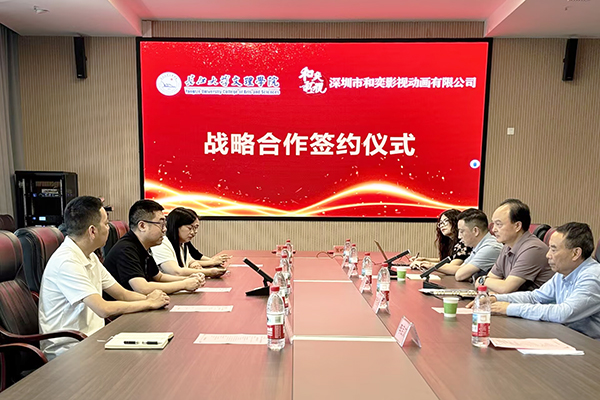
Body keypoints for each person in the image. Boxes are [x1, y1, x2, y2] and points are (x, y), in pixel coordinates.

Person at [39, 196, 170, 359]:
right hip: (69, 351)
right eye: (106, 224)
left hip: (94, 340)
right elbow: (103, 308)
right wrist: (148, 303)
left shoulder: (89, 256)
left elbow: (122, 294)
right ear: (92, 231)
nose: (109, 228)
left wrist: (152, 299)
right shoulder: (66, 262)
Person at [469, 222, 600, 340]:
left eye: (554, 249)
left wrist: (509, 308)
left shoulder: (593, 276)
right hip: (567, 336)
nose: (548, 255)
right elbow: (535, 297)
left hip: (590, 347)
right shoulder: (564, 272)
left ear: (575, 253)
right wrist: (496, 299)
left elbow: (564, 313)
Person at [103, 200, 204, 298]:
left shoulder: (143, 246)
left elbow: (159, 277)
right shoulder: (126, 249)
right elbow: (143, 288)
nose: (165, 229)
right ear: (142, 226)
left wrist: (187, 279)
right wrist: (184, 285)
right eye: (161, 225)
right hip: (122, 308)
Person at [479, 199, 554, 293]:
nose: (494, 230)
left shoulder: (533, 249)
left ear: (517, 226)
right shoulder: (507, 246)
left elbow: (506, 288)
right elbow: (489, 281)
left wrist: (483, 280)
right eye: (493, 224)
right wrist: (487, 282)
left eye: (498, 224)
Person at [151, 207, 231, 277]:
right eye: (190, 228)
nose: (194, 232)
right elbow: (176, 272)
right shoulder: (162, 244)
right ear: (176, 227)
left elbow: (190, 261)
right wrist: (209, 272)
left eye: (195, 228)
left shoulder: (182, 244)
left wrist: (194, 264)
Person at [436, 208, 503, 282]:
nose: (459, 236)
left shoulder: (491, 247)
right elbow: (461, 268)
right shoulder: (478, 246)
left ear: (475, 231)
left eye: (462, 231)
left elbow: (460, 275)